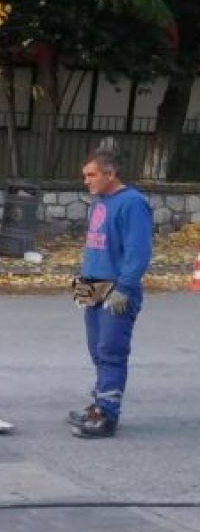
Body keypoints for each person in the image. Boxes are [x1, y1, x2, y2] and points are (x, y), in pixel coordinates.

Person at [68, 148, 152, 439]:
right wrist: (82, 286)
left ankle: (107, 415)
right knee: (96, 350)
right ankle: (99, 404)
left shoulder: (132, 203)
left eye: (91, 175)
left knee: (111, 351)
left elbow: (138, 251)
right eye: (85, 175)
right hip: (93, 284)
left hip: (117, 287)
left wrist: (125, 288)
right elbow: (95, 246)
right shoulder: (100, 201)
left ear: (110, 174)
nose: (86, 181)